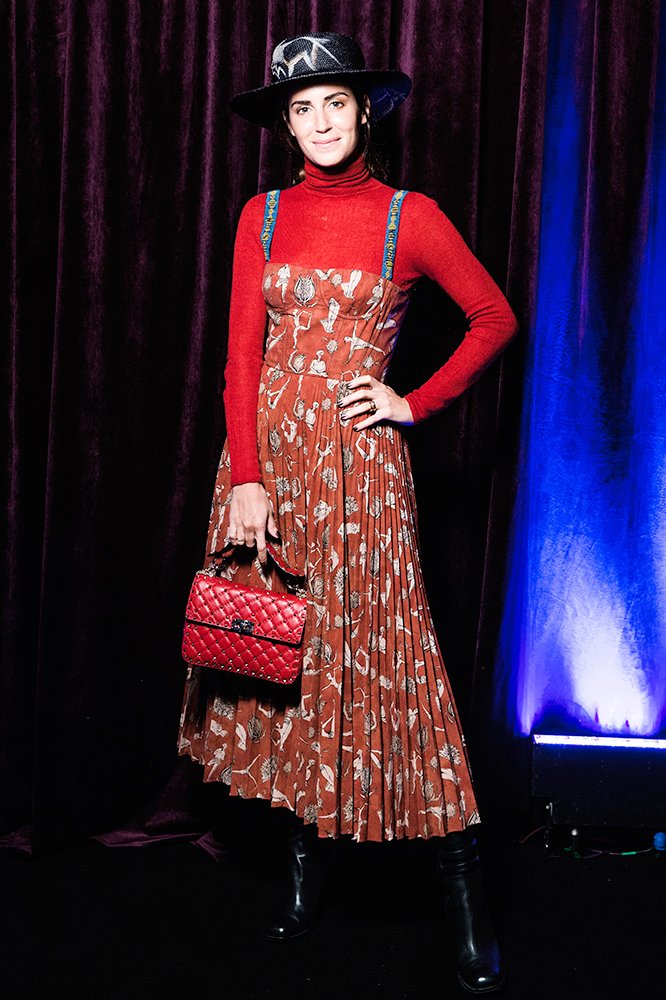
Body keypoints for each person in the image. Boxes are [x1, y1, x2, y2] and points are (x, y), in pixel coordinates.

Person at [178, 31, 517, 995]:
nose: (321, 121)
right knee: (291, 665)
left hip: (362, 476)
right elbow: (241, 357)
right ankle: (301, 882)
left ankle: (466, 904)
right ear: (285, 125)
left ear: (365, 112)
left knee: (387, 665)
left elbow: (494, 317)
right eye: (302, 108)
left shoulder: (411, 216)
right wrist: (247, 478)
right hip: (268, 471)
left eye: (335, 103)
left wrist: (414, 401)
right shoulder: (263, 216)